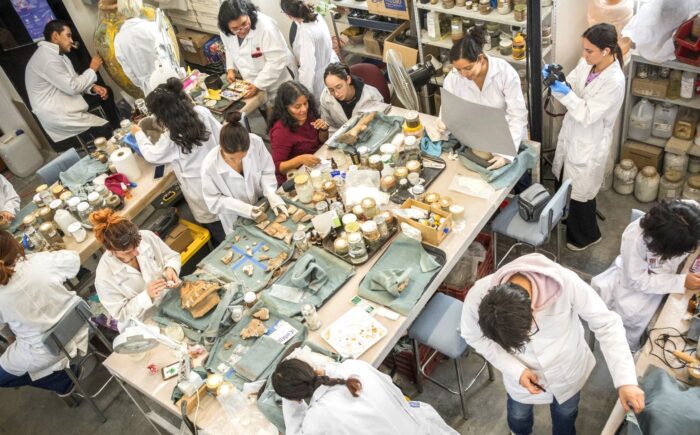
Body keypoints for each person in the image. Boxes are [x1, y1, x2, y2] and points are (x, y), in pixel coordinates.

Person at [461, 253, 644, 435]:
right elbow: (474, 337)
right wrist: (515, 370)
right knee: (518, 416)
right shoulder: (478, 296)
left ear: (534, 311)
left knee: (566, 414)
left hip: (567, 372)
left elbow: (606, 324)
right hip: (520, 379)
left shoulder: (565, 282)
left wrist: (625, 380)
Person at [546, 23, 626, 251]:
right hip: (573, 134)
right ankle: (566, 219)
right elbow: (571, 84)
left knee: (580, 194)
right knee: (564, 180)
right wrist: (557, 81)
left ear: (606, 51)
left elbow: (588, 114)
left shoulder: (614, 81)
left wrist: (566, 93)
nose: (584, 55)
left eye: (589, 50)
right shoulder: (588, 63)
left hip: (590, 141)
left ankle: (585, 237)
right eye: (584, 49)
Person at [592, 200, 700, 350]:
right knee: (631, 328)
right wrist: (680, 282)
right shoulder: (635, 239)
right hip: (637, 289)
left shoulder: (690, 213)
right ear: (665, 246)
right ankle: (631, 350)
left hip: (665, 273)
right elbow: (637, 281)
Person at [130, 78, 225, 244]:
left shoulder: (171, 137)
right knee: (229, 214)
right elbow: (220, 135)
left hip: (200, 188)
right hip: (221, 175)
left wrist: (138, 133)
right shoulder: (201, 112)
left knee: (218, 227)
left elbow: (152, 155)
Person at [271, 358, 458, 435]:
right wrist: (325, 370)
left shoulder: (317, 417)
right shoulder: (353, 367)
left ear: (296, 398)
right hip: (418, 427)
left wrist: (291, 405)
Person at [0, 230, 86, 395]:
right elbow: (74, 259)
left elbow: (3, 328)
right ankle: (64, 377)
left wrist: (12, 339)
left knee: (2, 377)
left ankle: (63, 380)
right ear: (15, 246)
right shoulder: (39, 261)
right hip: (80, 323)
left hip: (46, 351)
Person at [442, 28, 528, 170]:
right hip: (475, 138)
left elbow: (518, 116)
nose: (463, 74)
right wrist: (442, 121)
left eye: (468, 68)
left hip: (507, 136)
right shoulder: (454, 78)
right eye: (458, 69)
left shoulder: (504, 73)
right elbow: (449, 109)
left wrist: (506, 155)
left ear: (480, 59)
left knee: (510, 176)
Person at [25, 20, 115, 145]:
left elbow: (72, 79)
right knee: (104, 128)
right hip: (57, 113)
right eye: (68, 36)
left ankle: (117, 132)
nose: (72, 41)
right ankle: (112, 142)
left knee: (107, 92)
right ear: (55, 36)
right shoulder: (48, 59)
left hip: (65, 101)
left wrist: (92, 88)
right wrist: (92, 69)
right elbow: (72, 87)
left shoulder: (57, 54)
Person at [92, 209, 181, 330]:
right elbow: (121, 314)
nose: (137, 252)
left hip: (170, 299)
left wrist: (171, 268)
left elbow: (172, 256)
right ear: (112, 250)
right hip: (145, 320)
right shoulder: (104, 278)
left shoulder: (146, 237)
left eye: (137, 247)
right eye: (128, 252)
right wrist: (147, 296)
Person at [201, 111, 287, 235]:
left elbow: (266, 171)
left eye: (243, 156)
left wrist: (271, 193)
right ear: (221, 148)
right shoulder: (209, 167)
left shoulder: (255, 142)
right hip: (235, 217)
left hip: (263, 204)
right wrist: (245, 209)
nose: (238, 161)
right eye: (232, 158)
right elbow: (214, 201)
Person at [218, 0, 295, 102]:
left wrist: (258, 84)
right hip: (251, 82)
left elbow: (276, 60)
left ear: (248, 13)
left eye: (244, 23)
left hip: (277, 82)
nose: (242, 30)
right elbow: (229, 48)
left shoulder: (266, 27)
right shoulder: (225, 30)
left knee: (283, 106)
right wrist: (231, 69)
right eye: (235, 28)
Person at [269, 81, 328, 186]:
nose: (304, 109)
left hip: (315, 163)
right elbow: (278, 167)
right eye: (297, 106)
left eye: (305, 103)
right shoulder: (281, 132)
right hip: (296, 176)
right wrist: (300, 159)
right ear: (285, 108)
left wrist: (323, 129)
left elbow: (321, 141)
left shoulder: (310, 114)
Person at [281, 0, 339, 100]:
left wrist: (304, 92)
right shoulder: (316, 16)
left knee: (329, 105)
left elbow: (307, 68)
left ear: (288, 15)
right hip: (334, 67)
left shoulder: (305, 33)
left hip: (321, 80)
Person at [319, 62, 388, 134]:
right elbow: (329, 127)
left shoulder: (372, 96)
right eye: (331, 90)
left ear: (348, 79)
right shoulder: (326, 96)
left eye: (339, 87)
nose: (336, 94)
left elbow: (381, 125)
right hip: (341, 137)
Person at [114, 0, 160, 95]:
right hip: (165, 76)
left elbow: (128, 70)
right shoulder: (152, 27)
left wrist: (141, 83)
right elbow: (166, 54)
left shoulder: (118, 40)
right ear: (139, 6)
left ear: (120, 11)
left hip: (147, 86)